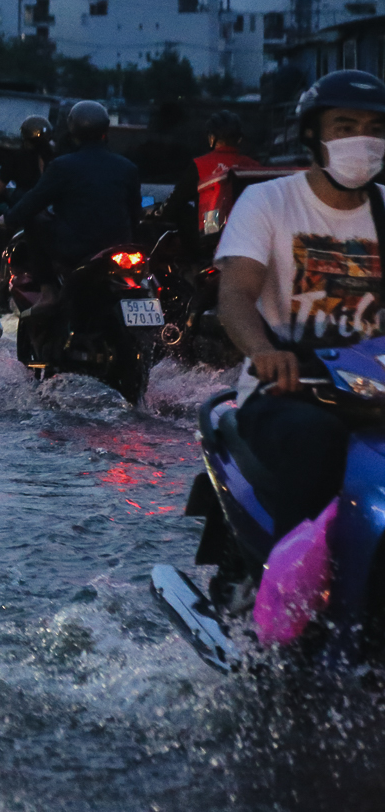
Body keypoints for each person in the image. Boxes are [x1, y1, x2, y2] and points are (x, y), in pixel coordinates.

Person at [216, 69, 385, 540]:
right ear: (313, 135)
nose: (363, 141)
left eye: (375, 129)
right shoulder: (267, 202)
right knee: (316, 440)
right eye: (346, 127)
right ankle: (297, 599)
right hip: (287, 390)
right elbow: (234, 293)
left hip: (373, 390)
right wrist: (263, 352)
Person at [2, 100, 142, 304]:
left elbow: (32, 202)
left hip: (76, 248)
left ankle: (47, 289)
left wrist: (7, 219)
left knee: (33, 221)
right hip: (119, 246)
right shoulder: (127, 167)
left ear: (73, 130)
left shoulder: (62, 166)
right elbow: (134, 212)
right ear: (105, 129)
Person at [160, 110, 260, 255]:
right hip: (248, 237)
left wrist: (160, 213)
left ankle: (192, 265)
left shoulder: (200, 165)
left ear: (212, 138)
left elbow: (176, 202)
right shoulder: (254, 166)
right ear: (239, 139)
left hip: (209, 240)